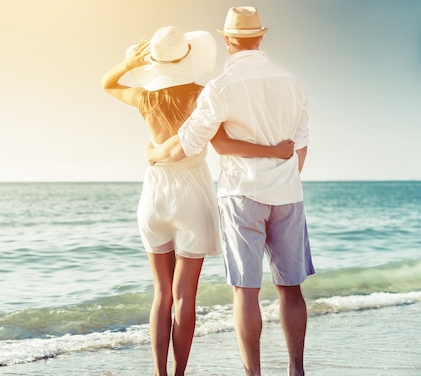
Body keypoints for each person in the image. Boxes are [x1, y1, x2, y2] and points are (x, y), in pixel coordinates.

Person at [101, 25, 295, 376]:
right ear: (187, 58)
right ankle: (178, 374)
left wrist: (128, 63)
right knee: (184, 296)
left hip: (155, 194)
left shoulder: (146, 97)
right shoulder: (201, 95)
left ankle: (160, 374)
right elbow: (222, 145)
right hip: (191, 193)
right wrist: (274, 150)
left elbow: (108, 84)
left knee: (161, 293)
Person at [147, 7, 315, 376]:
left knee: (245, 290)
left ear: (227, 40)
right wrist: (281, 175)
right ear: (262, 36)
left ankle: (253, 373)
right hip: (288, 194)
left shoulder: (221, 87)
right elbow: (300, 145)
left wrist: (156, 154)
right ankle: (296, 370)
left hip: (241, 194)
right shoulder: (293, 82)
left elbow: (190, 142)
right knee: (291, 288)